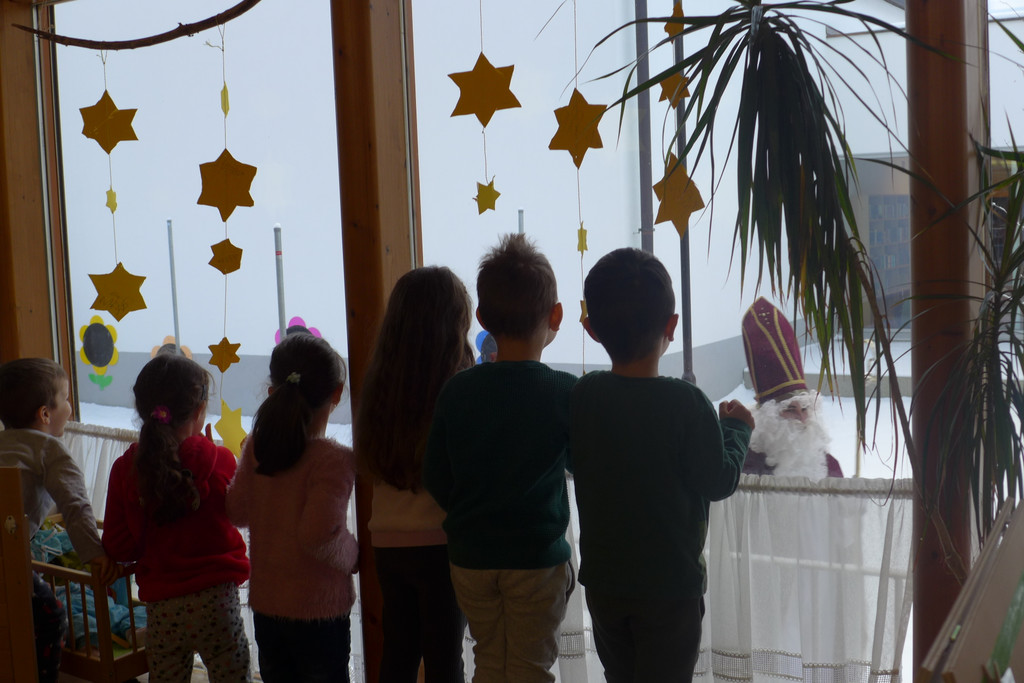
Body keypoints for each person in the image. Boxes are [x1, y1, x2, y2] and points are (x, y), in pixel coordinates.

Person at [570, 248, 754, 683]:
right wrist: (736, 429)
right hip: (670, 591)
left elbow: (575, 457)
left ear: (591, 329)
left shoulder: (584, 396)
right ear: (671, 326)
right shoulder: (686, 403)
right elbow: (718, 479)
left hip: (605, 586)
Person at [423, 234, 576, 683]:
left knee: (489, 661)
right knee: (531, 668)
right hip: (537, 558)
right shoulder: (564, 392)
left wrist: (471, 514)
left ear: (483, 320)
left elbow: (436, 474)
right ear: (556, 316)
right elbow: (582, 464)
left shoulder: (458, 390)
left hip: (471, 557)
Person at [355, 266, 474, 683]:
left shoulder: (382, 384)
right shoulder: (458, 387)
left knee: (399, 652)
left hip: (387, 541)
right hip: (440, 544)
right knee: (445, 660)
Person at [102, 354, 251, 682]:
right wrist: (208, 456)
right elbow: (241, 516)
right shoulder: (221, 460)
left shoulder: (126, 470)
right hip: (218, 603)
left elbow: (118, 545)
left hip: (163, 608)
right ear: (199, 411)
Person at [227, 333, 359, 683]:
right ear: (337, 392)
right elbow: (319, 535)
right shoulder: (334, 460)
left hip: (268, 608)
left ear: (273, 391)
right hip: (319, 615)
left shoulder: (257, 447)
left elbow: (236, 510)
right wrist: (355, 556)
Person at [0, 358, 116, 683]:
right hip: (8, 562)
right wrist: (94, 554)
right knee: (50, 616)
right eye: (65, 398)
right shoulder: (48, 449)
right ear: (45, 414)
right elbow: (75, 505)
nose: (71, 407)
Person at [741, 297, 843, 478]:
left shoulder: (829, 466)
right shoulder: (747, 468)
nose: (802, 419)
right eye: (790, 410)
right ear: (768, 417)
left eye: (805, 409)